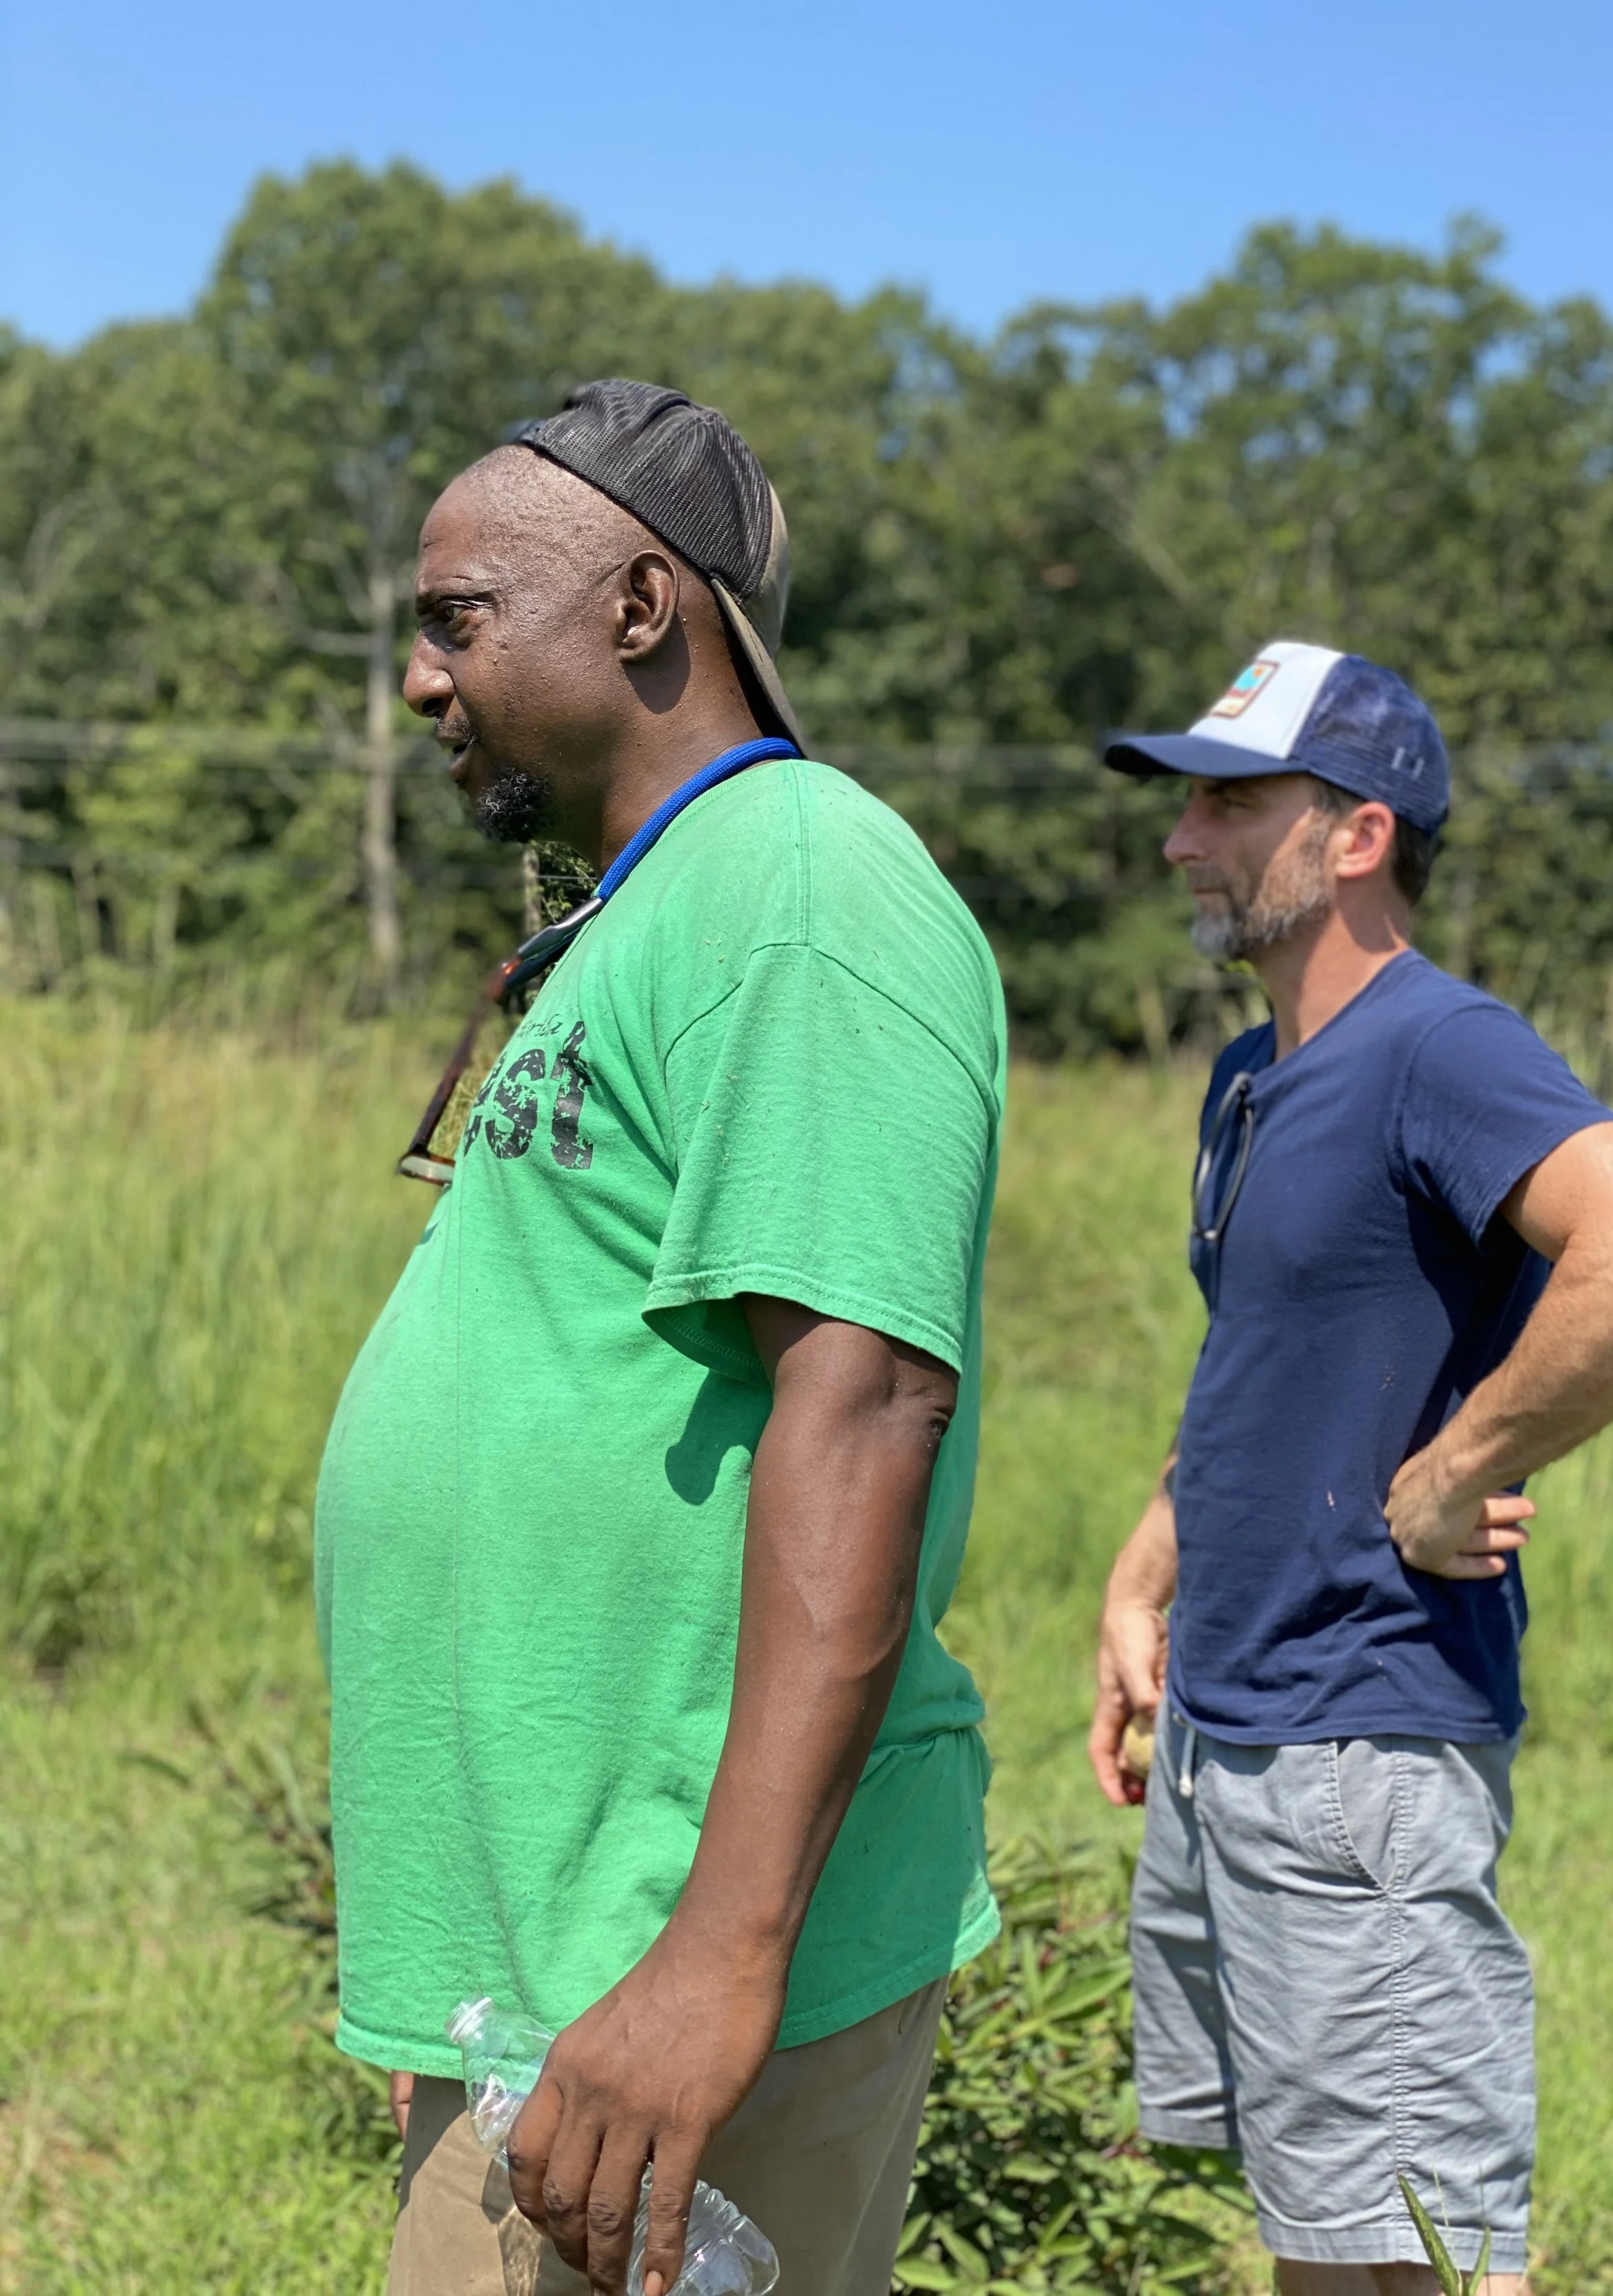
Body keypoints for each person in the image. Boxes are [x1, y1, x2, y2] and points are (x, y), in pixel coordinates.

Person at [314, 381, 1006, 2296]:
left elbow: (864, 1398)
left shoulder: (799, 887)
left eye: (457, 620)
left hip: (670, 1966)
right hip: (553, 1955)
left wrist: (713, 1960)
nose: (420, 680)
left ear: (638, 607)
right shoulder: (654, 908)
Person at [1088, 641, 1613, 2295]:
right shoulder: (1248, 1078)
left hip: (1358, 1738)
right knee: (1319, 2225)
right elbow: (1261, 1350)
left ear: (1356, 833)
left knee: (1428, 2247)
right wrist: (1146, 1570)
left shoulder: (1436, 1047)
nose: (1181, 839)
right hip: (1231, 1715)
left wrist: (1461, 1461)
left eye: (1229, 804)